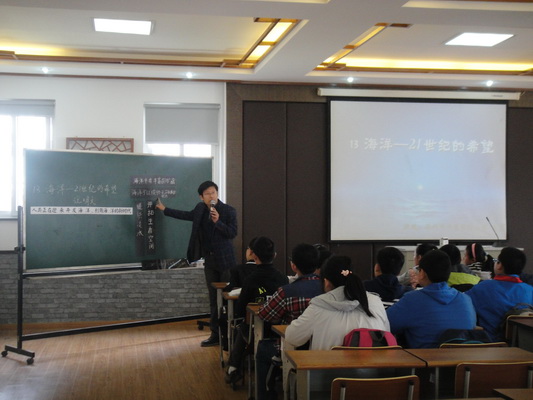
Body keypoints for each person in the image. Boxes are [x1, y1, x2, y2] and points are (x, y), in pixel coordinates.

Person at [156, 180, 237, 347]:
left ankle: (230, 335)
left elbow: (232, 233)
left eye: (213, 192)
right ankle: (215, 335)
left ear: (217, 193)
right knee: (213, 299)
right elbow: (186, 215)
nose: (211, 196)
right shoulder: (200, 209)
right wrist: (165, 209)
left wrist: (218, 222)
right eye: (207, 194)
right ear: (201, 197)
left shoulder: (228, 210)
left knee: (228, 298)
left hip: (226, 261)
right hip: (210, 260)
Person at [255, 243, 323, 399]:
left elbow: (264, 314)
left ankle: (266, 395)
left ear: (293, 266)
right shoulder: (328, 288)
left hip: (292, 348)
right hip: (324, 347)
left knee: (263, 348)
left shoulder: (287, 291)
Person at [284, 255, 389, 350]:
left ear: (326, 282)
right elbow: (386, 333)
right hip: (375, 365)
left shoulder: (319, 306)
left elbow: (292, 338)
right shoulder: (375, 302)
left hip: (327, 366)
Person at [225, 236, 288, 385]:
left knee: (242, 327)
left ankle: (233, 368)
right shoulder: (283, 278)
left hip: (254, 330)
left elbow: (240, 310)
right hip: (280, 330)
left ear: (254, 256)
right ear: (274, 255)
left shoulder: (250, 279)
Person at [386, 250, 476, 348]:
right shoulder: (466, 300)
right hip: (463, 356)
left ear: (422, 273)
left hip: (423, 356)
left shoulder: (412, 300)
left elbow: (385, 324)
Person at [466, 246, 533, 341]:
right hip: (522, 345)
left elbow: (462, 306)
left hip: (489, 344)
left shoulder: (482, 288)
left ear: (499, 265)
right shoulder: (530, 290)